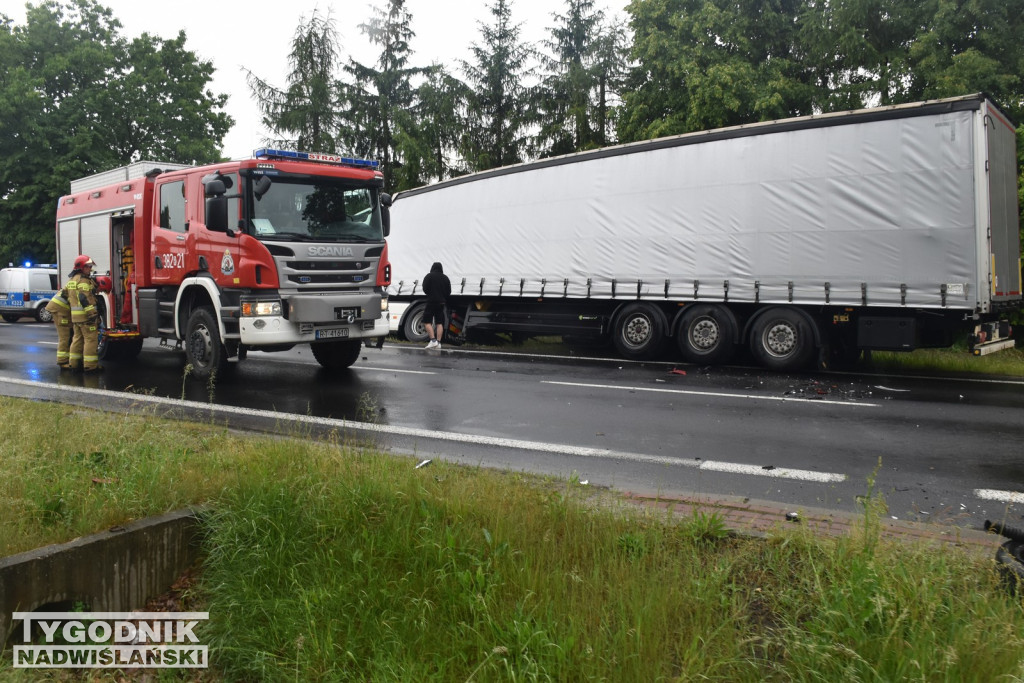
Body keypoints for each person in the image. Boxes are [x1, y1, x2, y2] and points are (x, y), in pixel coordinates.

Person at [67, 255, 102, 372]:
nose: (90, 269)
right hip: (85, 317)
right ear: (81, 267)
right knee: (91, 340)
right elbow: (84, 297)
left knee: (77, 339)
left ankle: (74, 364)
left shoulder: (73, 280)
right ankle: (90, 366)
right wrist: (92, 314)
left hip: (76, 317)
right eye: (88, 266)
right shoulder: (83, 280)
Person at [421, 261, 451, 349]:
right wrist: (442, 297)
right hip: (441, 302)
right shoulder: (445, 278)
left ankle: (433, 341)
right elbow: (448, 292)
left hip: (431, 301)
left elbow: (425, 288)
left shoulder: (429, 276)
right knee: (439, 322)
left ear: (432, 268)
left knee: (427, 321)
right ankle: (438, 342)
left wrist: (430, 294)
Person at [44, 282, 73, 369]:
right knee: (65, 336)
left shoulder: (78, 282)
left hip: (60, 308)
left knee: (67, 336)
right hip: (60, 309)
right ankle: (62, 361)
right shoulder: (82, 286)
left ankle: (66, 359)